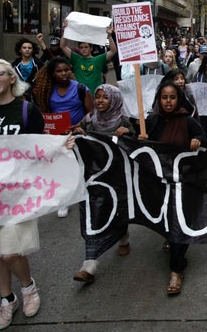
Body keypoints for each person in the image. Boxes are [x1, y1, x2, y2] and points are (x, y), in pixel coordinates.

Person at [0, 59, 58, 329]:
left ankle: (28, 287)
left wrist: (62, 144)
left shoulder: (27, 111)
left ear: (11, 79)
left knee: (9, 252)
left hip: (17, 193)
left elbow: (39, 148)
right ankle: (7, 300)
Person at [142, 80, 206, 295]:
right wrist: (135, 136)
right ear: (159, 100)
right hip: (159, 183)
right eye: (164, 97)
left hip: (184, 183)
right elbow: (139, 144)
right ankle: (170, 239)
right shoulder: (151, 120)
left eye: (172, 97)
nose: (168, 102)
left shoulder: (187, 120)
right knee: (168, 220)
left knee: (179, 224)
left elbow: (203, 137)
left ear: (178, 99)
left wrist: (197, 139)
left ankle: (176, 270)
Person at [71, 84, 135, 284]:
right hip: (93, 177)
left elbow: (136, 147)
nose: (99, 101)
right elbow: (77, 137)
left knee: (117, 209)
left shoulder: (124, 121)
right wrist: (78, 131)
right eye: (97, 97)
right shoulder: (90, 120)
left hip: (117, 177)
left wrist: (129, 134)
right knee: (94, 216)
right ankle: (89, 263)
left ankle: (123, 235)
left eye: (104, 98)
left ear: (114, 100)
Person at [31, 57, 93, 217]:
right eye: (59, 71)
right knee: (61, 168)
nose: (64, 73)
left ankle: (86, 195)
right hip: (57, 136)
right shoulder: (47, 90)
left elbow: (91, 112)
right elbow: (46, 112)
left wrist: (78, 125)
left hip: (78, 134)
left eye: (66, 70)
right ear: (53, 74)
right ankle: (64, 201)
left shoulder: (81, 88)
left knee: (80, 166)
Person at [59, 20, 116, 93]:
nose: (83, 49)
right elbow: (63, 46)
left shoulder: (98, 59)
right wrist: (65, 30)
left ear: (91, 48)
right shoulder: (76, 59)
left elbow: (113, 50)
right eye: (81, 47)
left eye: (86, 47)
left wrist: (110, 36)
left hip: (94, 96)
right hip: (79, 96)